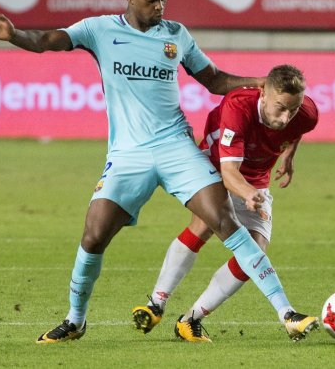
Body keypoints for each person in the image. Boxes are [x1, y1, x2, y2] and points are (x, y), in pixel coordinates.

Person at [0, 0, 317, 344]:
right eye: (152, 0)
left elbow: (214, 80)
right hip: (128, 154)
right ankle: (75, 319)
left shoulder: (176, 35)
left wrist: (254, 81)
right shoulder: (99, 29)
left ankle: (286, 312)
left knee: (225, 222)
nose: (160, 8)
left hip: (176, 146)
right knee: (94, 235)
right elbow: (47, 41)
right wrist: (13, 34)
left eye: (164, 0)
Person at [132, 64, 319, 342]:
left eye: (293, 109)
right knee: (205, 224)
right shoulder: (238, 107)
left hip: (256, 176)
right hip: (215, 164)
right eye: (280, 107)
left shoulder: (306, 114)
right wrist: (245, 194)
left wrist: (290, 154)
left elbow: (297, 129)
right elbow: (230, 173)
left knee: (255, 250)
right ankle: (157, 303)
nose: (286, 117)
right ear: (263, 95)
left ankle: (190, 319)